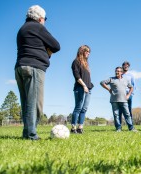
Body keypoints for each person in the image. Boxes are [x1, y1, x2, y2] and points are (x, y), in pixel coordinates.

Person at [15, 5, 60, 140]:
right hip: (33, 68)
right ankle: (31, 135)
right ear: (40, 18)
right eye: (45, 19)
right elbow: (56, 46)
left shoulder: (22, 29)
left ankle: (26, 133)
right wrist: (47, 52)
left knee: (27, 103)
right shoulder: (38, 27)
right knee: (35, 104)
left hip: (20, 67)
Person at [100, 67, 137, 132]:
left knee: (127, 114)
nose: (117, 72)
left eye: (119, 71)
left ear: (121, 72)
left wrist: (128, 95)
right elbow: (102, 82)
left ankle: (131, 128)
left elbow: (131, 87)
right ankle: (118, 128)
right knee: (116, 115)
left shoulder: (126, 79)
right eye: (116, 71)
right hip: (114, 100)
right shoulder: (111, 79)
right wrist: (109, 89)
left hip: (124, 100)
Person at [71, 45, 94, 134]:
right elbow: (77, 76)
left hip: (88, 88)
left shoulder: (86, 64)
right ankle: (73, 128)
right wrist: (84, 85)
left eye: (89, 52)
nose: (88, 53)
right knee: (78, 108)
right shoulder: (76, 62)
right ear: (82, 51)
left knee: (84, 109)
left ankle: (80, 127)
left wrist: (88, 86)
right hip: (80, 88)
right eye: (87, 51)